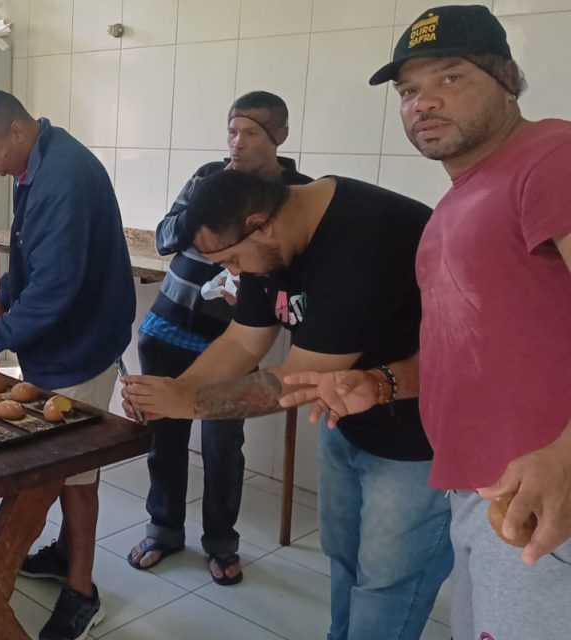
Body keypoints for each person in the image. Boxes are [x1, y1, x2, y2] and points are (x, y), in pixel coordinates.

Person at [283, 6, 571, 639]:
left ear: (508, 77)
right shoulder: (460, 200)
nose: (424, 103)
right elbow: (478, 348)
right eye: (409, 90)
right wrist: (383, 382)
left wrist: (566, 453)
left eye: (450, 77)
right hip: (481, 492)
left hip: (543, 500)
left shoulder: (551, 155)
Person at [121, 170, 450, 640]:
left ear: (261, 224)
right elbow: (241, 341)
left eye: (233, 259)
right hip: (348, 419)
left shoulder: (363, 236)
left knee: (388, 581)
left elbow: (298, 380)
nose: (233, 272)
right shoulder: (270, 244)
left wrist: (191, 404)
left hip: (421, 435)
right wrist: (180, 390)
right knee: (345, 557)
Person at [0, 89, 136, 640]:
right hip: (59, 340)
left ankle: (82, 592)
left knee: (74, 471)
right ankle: (63, 553)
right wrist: (4, 293)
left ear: (18, 132)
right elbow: (31, 255)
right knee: (58, 465)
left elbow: (56, 287)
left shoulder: (63, 178)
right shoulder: (37, 165)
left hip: (84, 344)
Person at [127, 91, 312, 586]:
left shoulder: (297, 191)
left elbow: (299, 270)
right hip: (169, 327)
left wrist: (252, 280)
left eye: (250, 133)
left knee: (223, 445)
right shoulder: (210, 177)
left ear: (280, 136)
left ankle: (221, 543)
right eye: (232, 130)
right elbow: (166, 234)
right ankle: (163, 529)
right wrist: (207, 219)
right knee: (164, 436)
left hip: (234, 339)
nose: (236, 142)